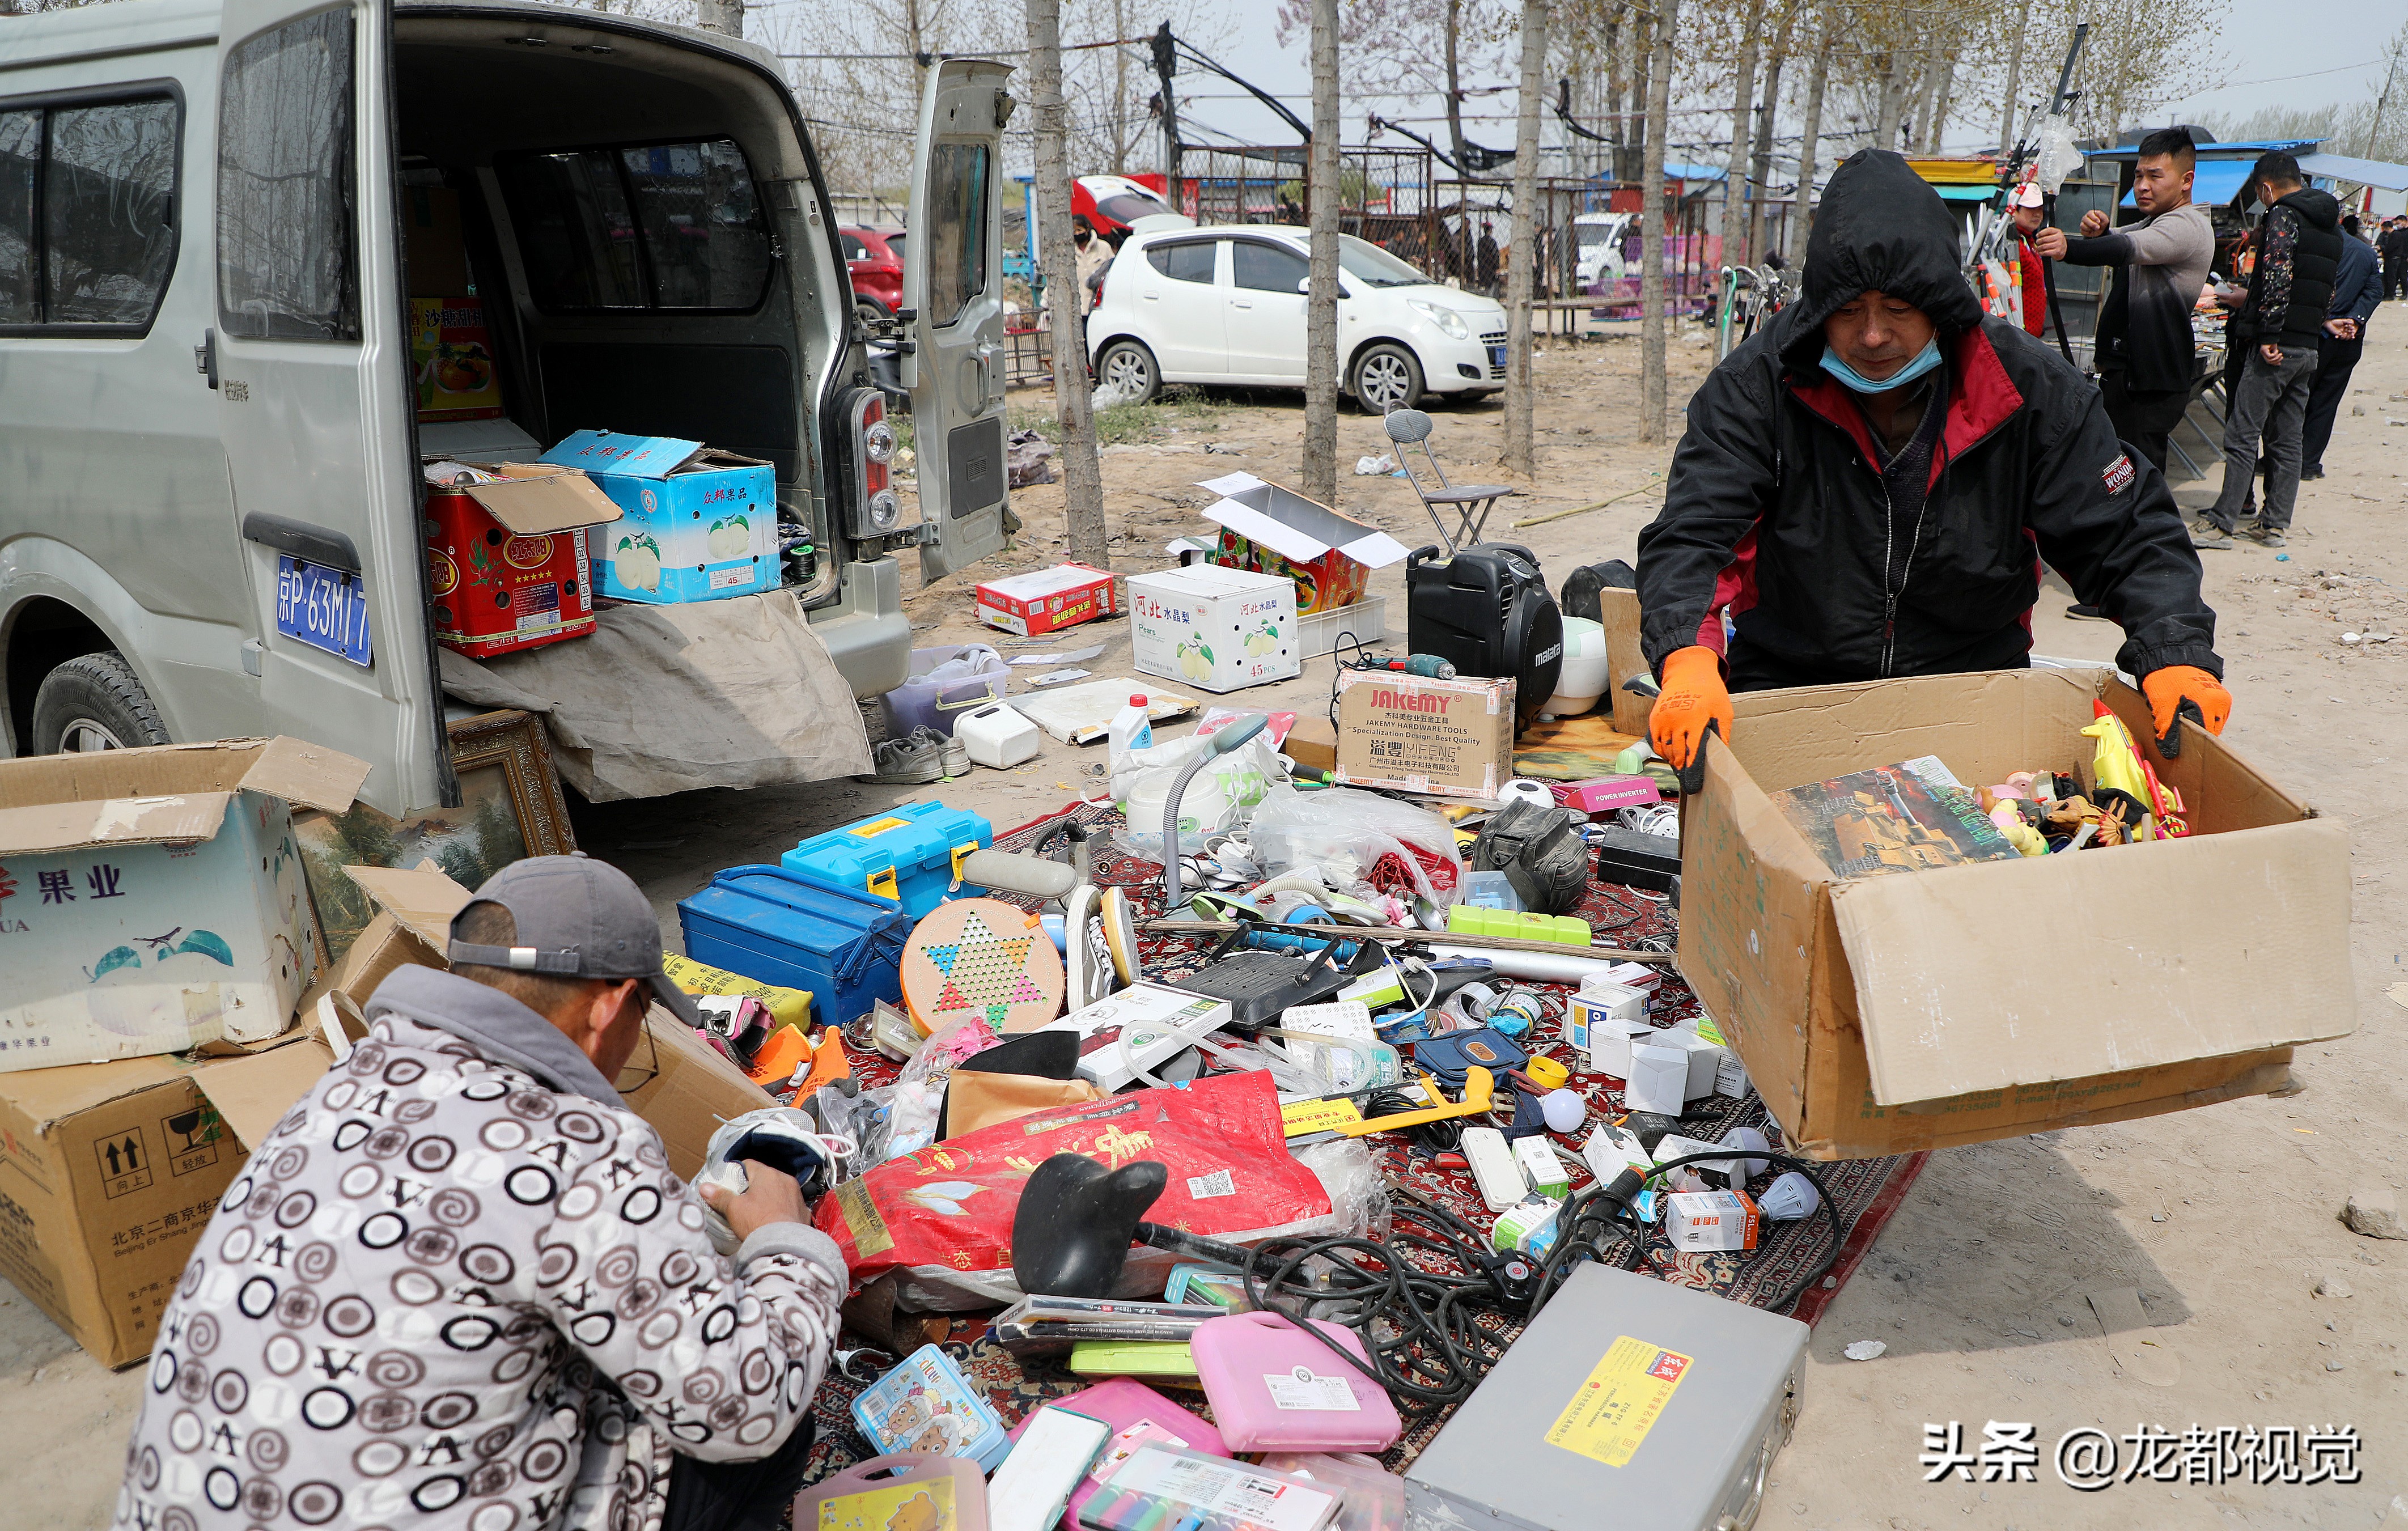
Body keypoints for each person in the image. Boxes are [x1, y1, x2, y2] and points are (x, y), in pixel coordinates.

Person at [110, 856, 846, 1531]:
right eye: (643, 1019)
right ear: (608, 1005)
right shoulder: (576, 1149)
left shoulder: (344, 1088)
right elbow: (741, 1408)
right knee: (765, 1411)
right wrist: (788, 1242)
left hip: (189, 1504)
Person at [1636, 150, 2231, 776]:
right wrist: (1687, 656)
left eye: (1897, 310)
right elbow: (1695, 532)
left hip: (1974, 690)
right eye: (1846, 311)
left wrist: (2175, 649)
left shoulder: (2028, 388)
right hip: (1792, 687)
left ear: (1942, 306)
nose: (1871, 336)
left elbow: (2125, 532)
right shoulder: (1757, 385)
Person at [2033, 127, 2214, 476]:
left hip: (2150, 382)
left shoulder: (2187, 225)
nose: (2142, 185)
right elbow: (2116, 240)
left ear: (2186, 180)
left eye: (2155, 176)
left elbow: (2125, 248)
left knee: (2138, 481)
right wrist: (2098, 232)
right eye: (2138, 175)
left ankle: (2151, 533)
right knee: (2119, 478)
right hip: (2133, 377)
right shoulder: (2154, 222)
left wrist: (2069, 247)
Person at [2195, 151, 2343, 550]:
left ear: (2266, 187)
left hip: (2275, 347)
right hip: (2307, 347)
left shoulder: (2284, 215)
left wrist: (2268, 335)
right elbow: (2328, 290)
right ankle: (2275, 523)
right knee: (2288, 439)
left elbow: (2278, 275)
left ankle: (2223, 523)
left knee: (2243, 432)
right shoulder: (2332, 225)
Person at [2301, 215, 2383, 478]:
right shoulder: (2364, 252)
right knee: (2326, 401)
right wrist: (2356, 319)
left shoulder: (2313, 246)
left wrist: (2329, 320)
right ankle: (2309, 463)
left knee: (2296, 400)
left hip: (2314, 335)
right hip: (2347, 339)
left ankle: (2283, 460)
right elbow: (2374, 291)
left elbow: (2305, 290)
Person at [1072, 214, 1112, 317]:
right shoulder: (1069, 251)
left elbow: (1114, 272)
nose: (1077, 234)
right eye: (1074, 231)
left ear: (1087, 228)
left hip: (1100, 307)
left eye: (1079, 230)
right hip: (1078, 309)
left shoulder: (1104, 248)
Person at [2380, 214, 2408, 301]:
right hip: (2399, 256)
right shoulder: (2399, 232)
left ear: (2404, 221)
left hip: (2404, 257)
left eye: (2399, 223)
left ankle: (2404, 293)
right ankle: (2391, 293)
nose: (2398, 226)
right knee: (2394, 276)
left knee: (2402, 275)